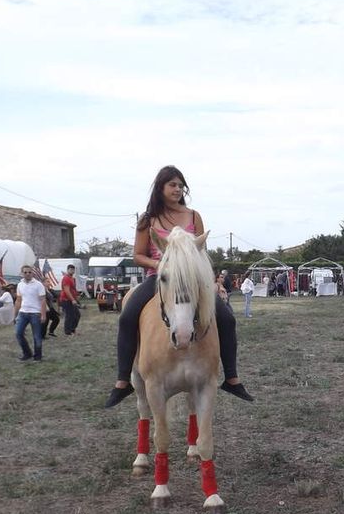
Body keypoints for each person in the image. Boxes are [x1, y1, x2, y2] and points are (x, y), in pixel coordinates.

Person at [106, 165, 253, 407]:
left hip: (192, 279)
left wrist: (208, 279)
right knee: (127, 316)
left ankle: (232, 378)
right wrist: (164, 264)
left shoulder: (194, 216)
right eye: (172, 184)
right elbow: (138, 256)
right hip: (160, 278)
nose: (177, 189)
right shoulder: (148, 219)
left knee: (226, 317)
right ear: (160, 188)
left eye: (180, 185)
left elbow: (201, 251)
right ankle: (123, 381)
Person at [14, 265, 47, 361]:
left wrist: (43, 314)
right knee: (18, 333)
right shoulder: (20, 285)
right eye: (25, 272)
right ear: (22, 273)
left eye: (29, 272)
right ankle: (27, 353)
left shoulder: (38, 285)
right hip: (23, 312)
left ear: (32, 273)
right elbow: (18, 300)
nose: (28, 274)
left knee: (37, 336)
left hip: (35, 313)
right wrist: (15, 314)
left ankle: (38, 356)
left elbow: (43, 300)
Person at [60, 264, 81, 335]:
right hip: (66, 300)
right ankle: (67, 332)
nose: (72, 271)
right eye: (71, 269)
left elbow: (73, 289)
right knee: (69, 315)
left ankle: (72, 329)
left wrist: (77, 295)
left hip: (72, 299)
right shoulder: (66, 278)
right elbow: (66, 290)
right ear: (67, 270)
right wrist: (72, 299)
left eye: (73, 269)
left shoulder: (72, 278)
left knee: (77, 315)